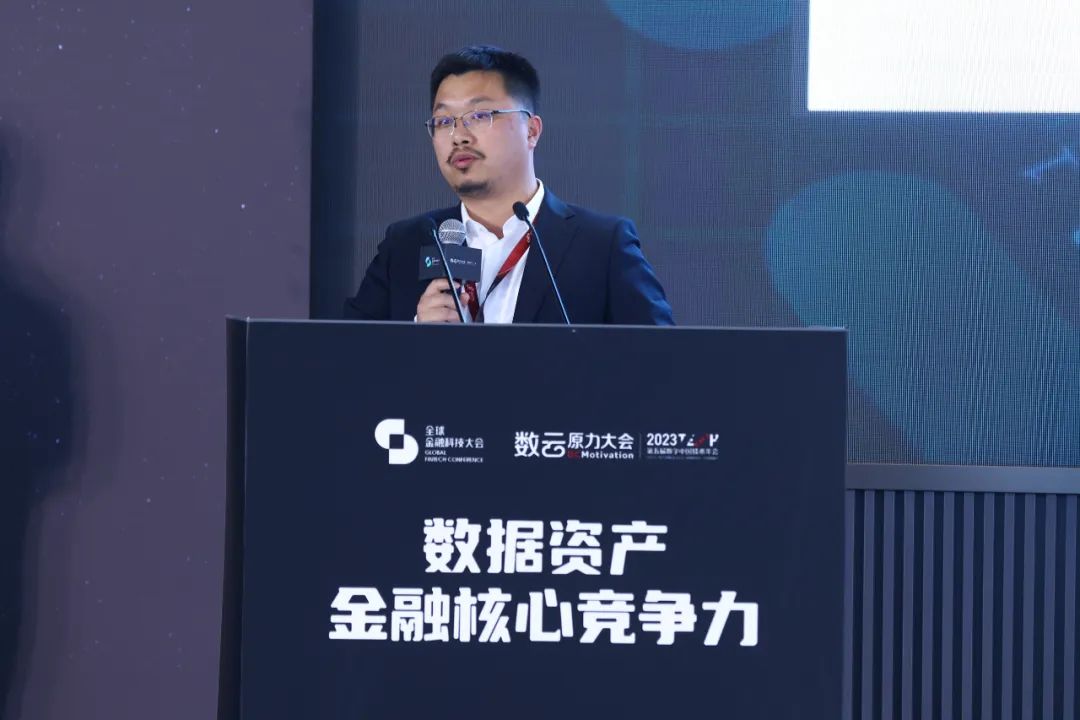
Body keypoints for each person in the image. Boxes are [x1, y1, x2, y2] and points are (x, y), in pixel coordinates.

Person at [344, 45, 673, 325]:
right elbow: (343, 359)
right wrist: (414, 333)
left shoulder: (601, 245)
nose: (458, 136)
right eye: (444, 121)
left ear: (531, 131)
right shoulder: (406, 245)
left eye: (479, 116)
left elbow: (661, 360)